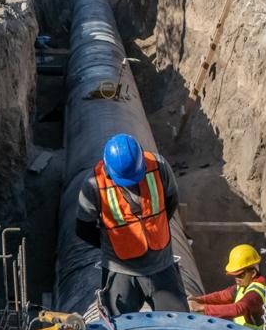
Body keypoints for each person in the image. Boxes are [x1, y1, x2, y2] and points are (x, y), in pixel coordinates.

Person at [76, 134, 186, 315]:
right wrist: (112, 245)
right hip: (121, 271)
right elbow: (83, 228)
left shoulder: (159, 167)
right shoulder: (94, 183)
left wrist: (155, 229)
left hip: (161, 264)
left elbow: (171, 202)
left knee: (178, 322)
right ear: (108, 168)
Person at [187, 244, 266, 330]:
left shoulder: (255, 293)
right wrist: (198, 299)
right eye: (235, 275)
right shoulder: (245, 284)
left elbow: (239, 308)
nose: (237, 279)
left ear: (253, 273)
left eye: (240, 275)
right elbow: (222, 296)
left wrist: (201, 308)